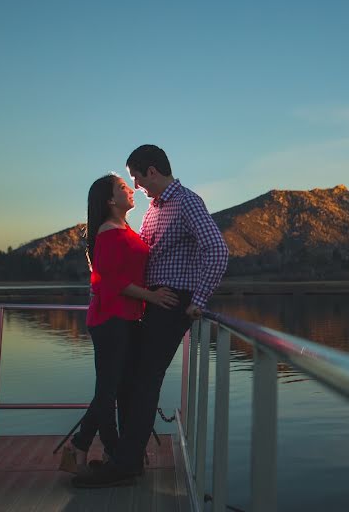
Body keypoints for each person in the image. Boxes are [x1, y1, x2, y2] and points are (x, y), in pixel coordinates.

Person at [73, 144, 229, 488]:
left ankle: (125, 464)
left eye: (137, 179)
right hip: (151, 303)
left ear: (152, 172)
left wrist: (198, 299)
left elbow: (217, 250)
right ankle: (127, 458)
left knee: (144, 380)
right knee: (130, 380)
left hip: (173, 301)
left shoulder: (186, 201)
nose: (137, 187)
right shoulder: (154, 210)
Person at [60, 173, 178, 474]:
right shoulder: (108, 232)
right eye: (124, 187)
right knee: (108, 392)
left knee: (113, 389)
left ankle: (89, 448)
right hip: (110, 320)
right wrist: (151, 297)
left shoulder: (124, 229)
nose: (132, 190)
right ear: (111, 200)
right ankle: (101, 450)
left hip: (125, 319)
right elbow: (111, 282)